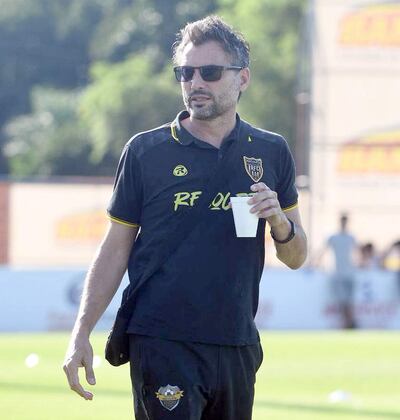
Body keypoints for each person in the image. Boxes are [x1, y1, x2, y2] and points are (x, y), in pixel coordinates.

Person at [63, 15, 307, 420]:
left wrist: (280, 223)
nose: (195, 83)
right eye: (185, 72)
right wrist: (81, 331)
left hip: (236, 342)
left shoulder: (270, 150)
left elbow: (297, 257)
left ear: (242, 78)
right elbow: (115, 248)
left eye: (209, 72)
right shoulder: (146, 151)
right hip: (162, 339)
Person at [317, 213, 357, 329]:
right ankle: (346, 323)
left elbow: (357, 253)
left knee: (349, 300)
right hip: (338, 273)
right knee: (342, 300)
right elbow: (323, 251)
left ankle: (350, 323)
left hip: (350, 273)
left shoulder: (351, 237)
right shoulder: (334, 237)